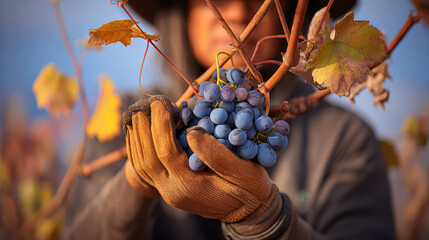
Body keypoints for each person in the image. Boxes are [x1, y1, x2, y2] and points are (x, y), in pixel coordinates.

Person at [64, 0, 395, 239]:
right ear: (181, 9)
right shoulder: (126, 119)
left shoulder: (344, 137)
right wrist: (132, 188)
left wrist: (269, 223)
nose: (238, 11)